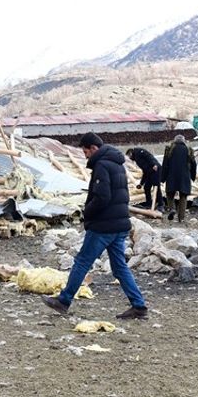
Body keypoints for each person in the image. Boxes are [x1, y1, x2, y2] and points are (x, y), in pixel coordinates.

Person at [44, 133, 148, 320]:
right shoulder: (117, 164)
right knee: (119, 268)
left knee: (82, 262)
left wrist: (87, 213)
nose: (85, 156)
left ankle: (63, 301)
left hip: (103, 226)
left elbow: (102, 197)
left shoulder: (101, 165)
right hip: (119, 224)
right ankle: (139, 306)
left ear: (93, 148)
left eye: (85, 152)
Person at [161, 134, 197, 223]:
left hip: (171, 175)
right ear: (184, 141)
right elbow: (194, 164)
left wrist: (163, 178)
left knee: (169, 194)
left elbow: (165, 164)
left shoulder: (169, 149)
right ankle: (181, 218)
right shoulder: (188, 150)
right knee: (183, 196)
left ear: (174, 140)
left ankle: (172, 208)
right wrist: (193, 176)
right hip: (184, 176)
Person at [125, 147, 164, 211]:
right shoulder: (137, 159)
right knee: (147, 187)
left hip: (155, 169)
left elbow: (148, 156)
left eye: (129, 157)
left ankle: (161, 205)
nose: (130, 159)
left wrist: (154, 164)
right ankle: (149, 204)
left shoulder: (139, 151)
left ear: (130, 153)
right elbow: (145, 172)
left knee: (156, 187)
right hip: (149, 172)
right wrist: (141, 184)